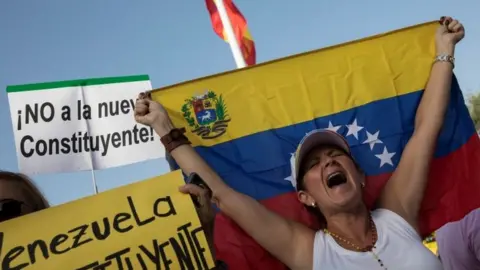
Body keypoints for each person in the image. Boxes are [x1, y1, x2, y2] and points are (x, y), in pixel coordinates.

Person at [134, 16, 464, 270]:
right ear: (305, 197)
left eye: (336, 155)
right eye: (314, 165)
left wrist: (444, 52)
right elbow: (224, 195)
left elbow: (426, 130)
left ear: (361, 175)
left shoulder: (397, 215)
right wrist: (166, 131)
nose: (329, 163)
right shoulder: (308, 252)